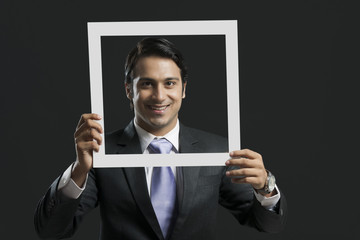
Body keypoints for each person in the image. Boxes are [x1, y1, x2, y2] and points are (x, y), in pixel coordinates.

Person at [34, 37, 287, 240]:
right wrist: (79, 170)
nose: (159, 95)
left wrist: (265, 184)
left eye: (169, 83)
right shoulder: (102, 152)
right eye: (146, 84)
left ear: (183, 89)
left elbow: (267, 224)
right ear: (128, 90)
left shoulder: (217, 151)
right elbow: (51, 230)